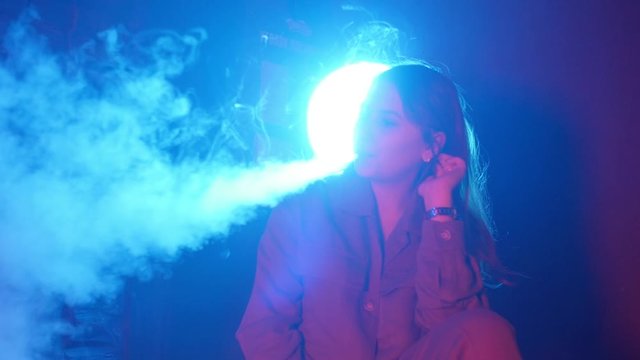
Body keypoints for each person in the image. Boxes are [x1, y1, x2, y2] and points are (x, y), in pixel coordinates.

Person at [236, 64, 522, 359]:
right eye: (363, 115)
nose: (363, 131)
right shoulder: (304, 211)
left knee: (486, 329)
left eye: (385, 122)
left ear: (432, 144)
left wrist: (439, 208)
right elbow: (265, 329)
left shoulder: (449, 227)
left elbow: (451, 333)